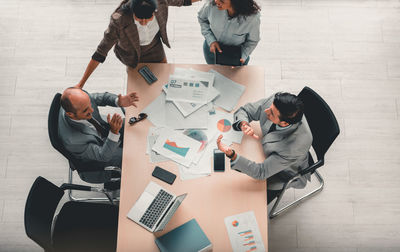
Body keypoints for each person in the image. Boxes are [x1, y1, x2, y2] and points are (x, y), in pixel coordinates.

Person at [76, 0, 200, 88]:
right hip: (131, 55)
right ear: (132, 11)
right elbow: (100, 52)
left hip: (155, 47)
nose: (144, 23)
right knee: (138, 89)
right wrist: (81, 84)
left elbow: (184, 1)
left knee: (163, 82)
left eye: (149, 18)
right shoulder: (119, 20)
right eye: (140, 20)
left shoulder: (160, 2)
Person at [216, 92, 313, 204]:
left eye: (271, 113)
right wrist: (243, 123)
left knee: (241, 197)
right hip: (265, 151)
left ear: (284, 123)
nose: (266, 111)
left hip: (284, 171)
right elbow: (245, 110)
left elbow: (261, 172)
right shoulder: (276, 104)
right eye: (270, 108)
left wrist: (232, 155)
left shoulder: (294, 146)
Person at [58, 87, 139, 182]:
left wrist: (118, 101)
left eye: (89, 105)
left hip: (101, 131)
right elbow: (103, 156)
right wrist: (113, 133)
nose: (91, 110)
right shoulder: (73, 141)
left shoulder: (81, 101)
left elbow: (101, 97)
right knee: (134, 157)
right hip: (98, 159)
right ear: (70, 114)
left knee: (135, 126)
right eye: (85, 110)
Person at [198, 0, 261, 65]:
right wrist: (211, 40)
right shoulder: (211, 5)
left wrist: (243, 55)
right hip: (212, 51)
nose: (216, 1)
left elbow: (253, 41)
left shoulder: (252, 18)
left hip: (236, 57)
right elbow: (202, 19)